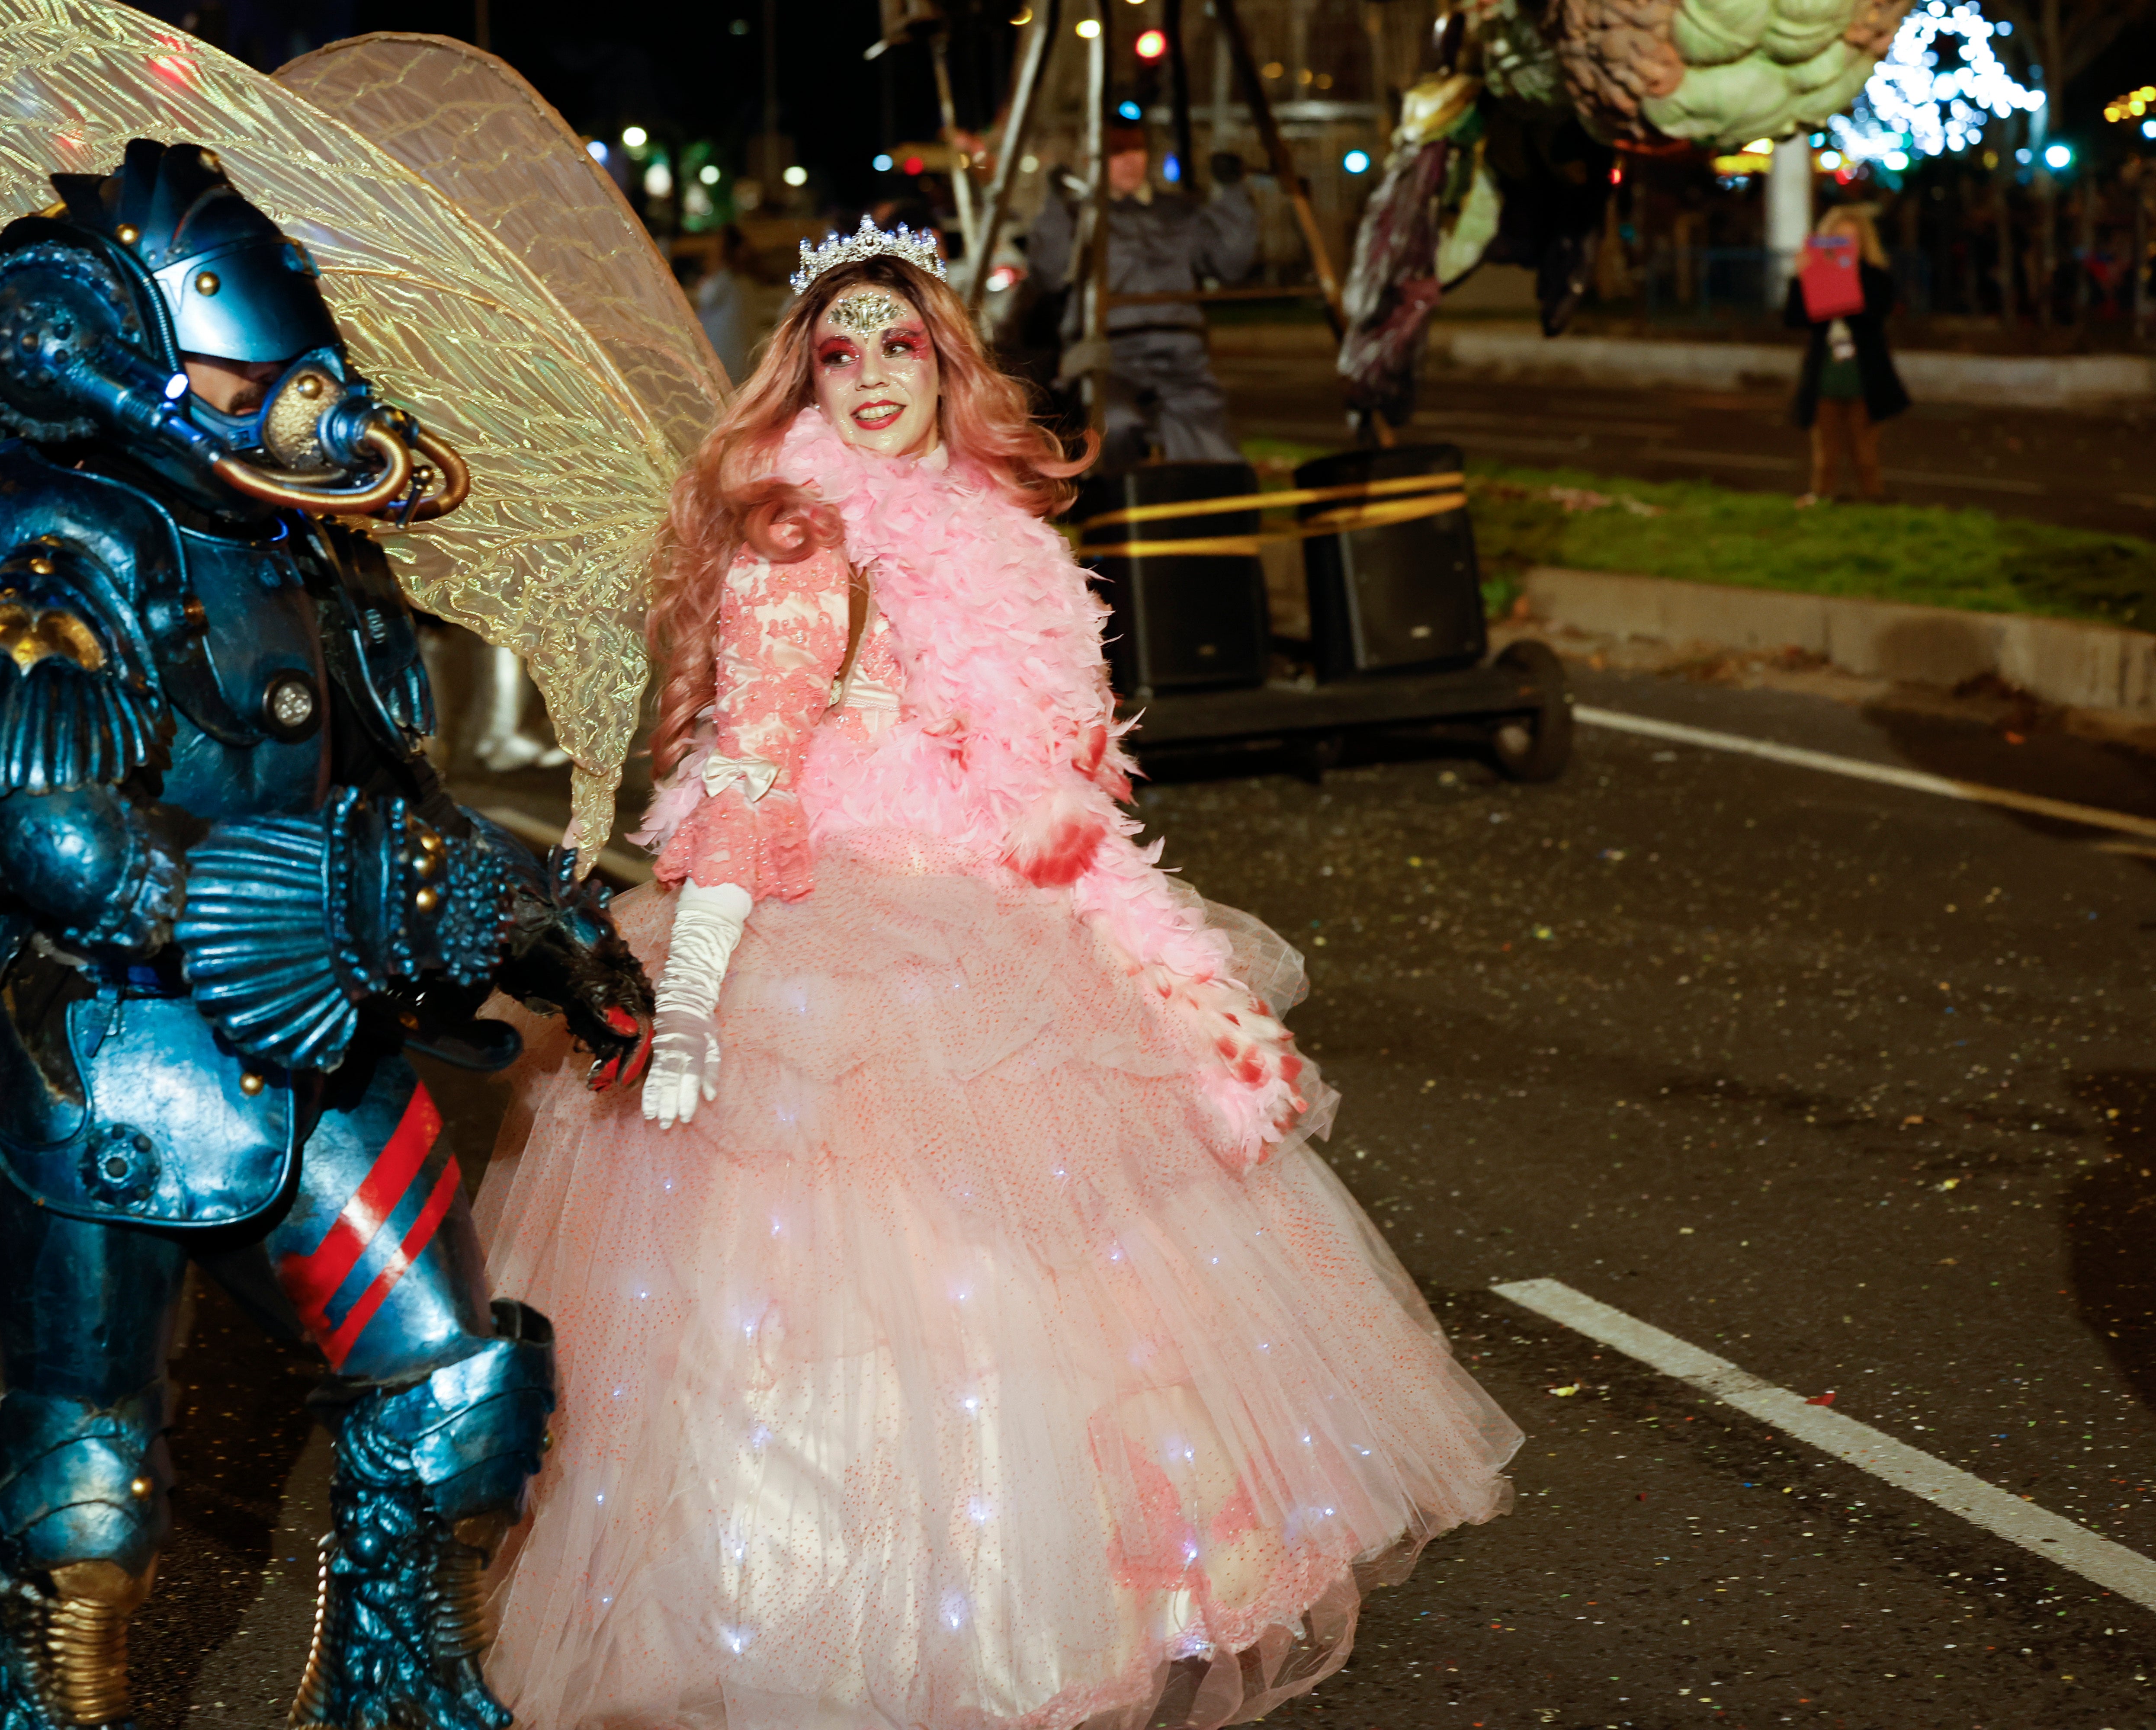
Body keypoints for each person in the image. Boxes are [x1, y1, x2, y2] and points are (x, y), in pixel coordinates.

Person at [477, 220, 1519, 1730]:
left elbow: (1066, 809)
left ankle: (1075, 1589)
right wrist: (693, 992)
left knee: (1063, 1270)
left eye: (904, 345)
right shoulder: (796, 544)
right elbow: (743, 778)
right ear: (806, 381)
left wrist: (1153, 965)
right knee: (867, 1289)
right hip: (830, 936)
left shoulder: (1003, 540)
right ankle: (845, 1619)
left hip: (1001, 929)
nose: (876, 376)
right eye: (842, 354)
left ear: (951, 364)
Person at [0, 140, 654, 1730]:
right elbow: (51, 832)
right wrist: (321, 905)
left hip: (314, 1031)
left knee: (455, 1379)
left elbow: (385, 781)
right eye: (252, 376)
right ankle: (55, 1699)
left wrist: (531, 913)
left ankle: (399, 1675)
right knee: (86, 1467)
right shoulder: (46, 533)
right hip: (113, 1046)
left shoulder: (297, 547)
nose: (297, 407)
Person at [1026, 126, 1257, 471]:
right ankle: (1118, 507)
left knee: (1212, 453)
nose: (1130, 162)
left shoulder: (1179, 213)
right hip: (1110, 357)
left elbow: (1231, 265)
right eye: (1116, 153)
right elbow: (1051, 272)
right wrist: (1057, 205)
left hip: (1180, 357)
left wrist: (1233, 194)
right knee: (1116, 425)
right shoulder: (1082, 217)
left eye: (1136, 150)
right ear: (1094, 161)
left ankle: (1202, 515)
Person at [1787, 202, 1908, 507]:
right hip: (1826, 376)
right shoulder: (1816, 275)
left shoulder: (1875, 277)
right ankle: (1823, 504)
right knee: (1825, 456)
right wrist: (1802, 279)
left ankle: (1874, 507)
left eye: (1851, 239)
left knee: (1865, 454)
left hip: (1864, 377)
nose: (1845, 246)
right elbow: (1795, 319)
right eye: (1838, 239)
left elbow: (1872, 316)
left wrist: (1841, 281)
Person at [695, 221, 756, 384]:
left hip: (725, 347)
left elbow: (705, 298)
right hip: (727, 346)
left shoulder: (727, 282)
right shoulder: (734, 282)